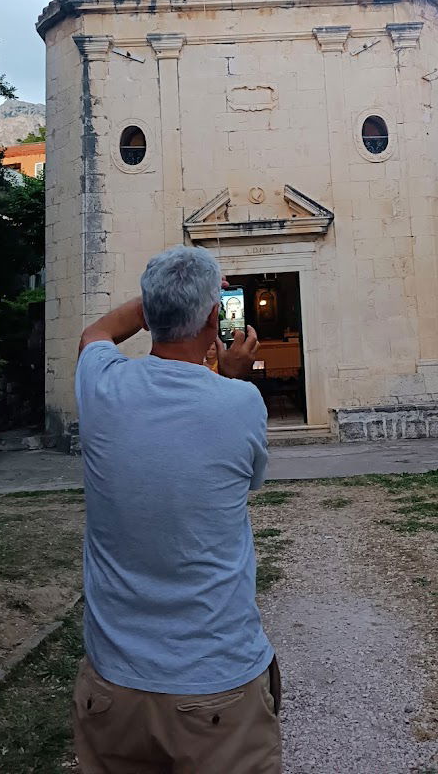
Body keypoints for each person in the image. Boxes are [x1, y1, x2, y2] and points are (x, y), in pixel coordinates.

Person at [73, 245, 281, 774]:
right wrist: (232, 376)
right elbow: (250, 480)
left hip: (114, 685)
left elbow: (94, 334)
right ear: (214, 317)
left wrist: (155, 301)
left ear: (149, 313)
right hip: (215, 684)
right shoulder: (240, 402)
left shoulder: (101, 386)